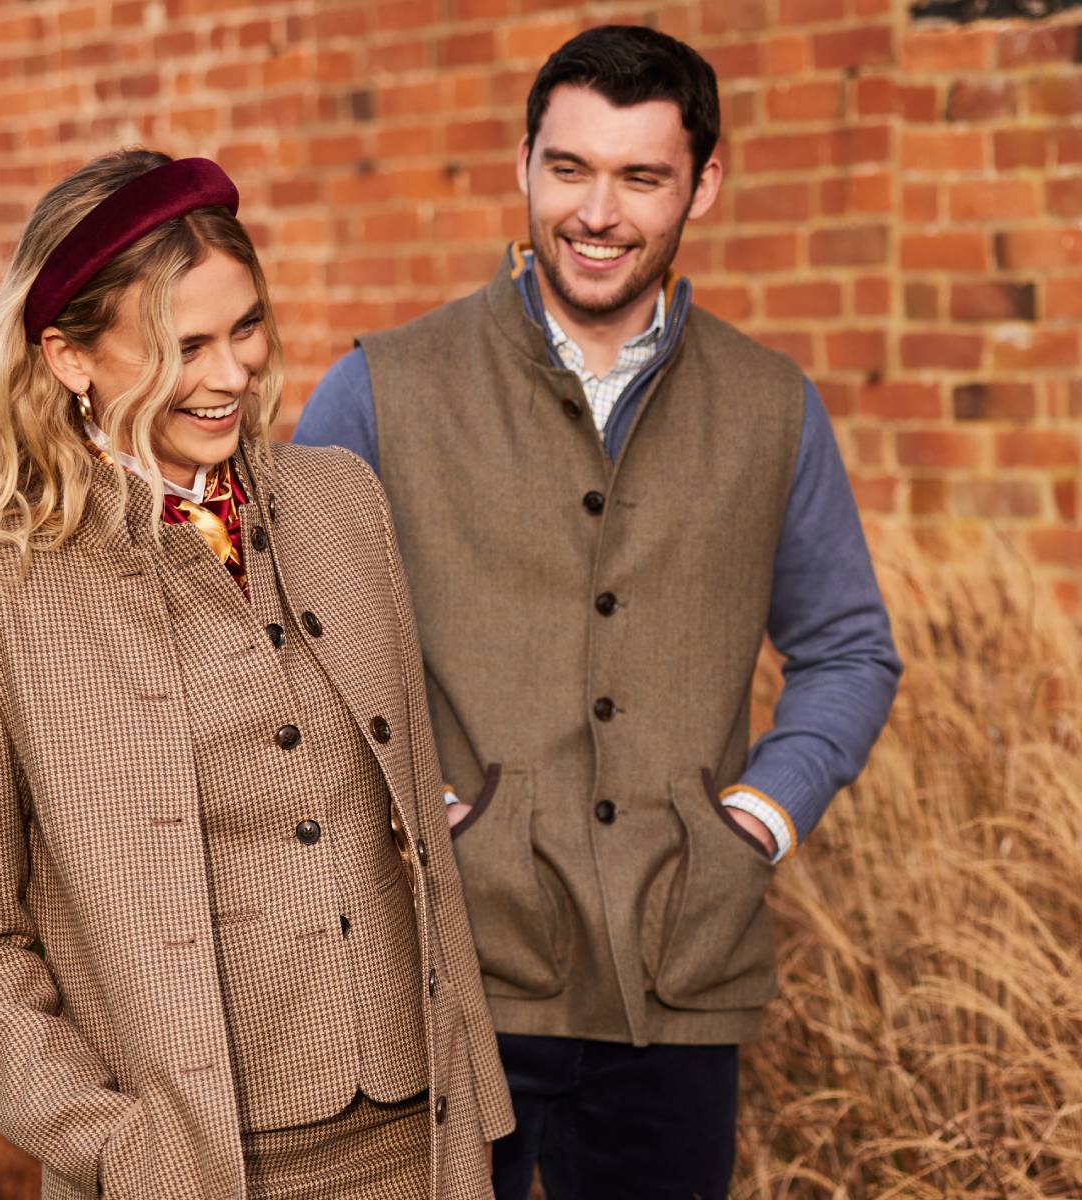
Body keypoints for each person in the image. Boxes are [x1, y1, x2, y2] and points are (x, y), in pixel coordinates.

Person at [292, 26, 902, 1200]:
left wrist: (757, 822)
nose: (597, 213)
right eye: (569, 168)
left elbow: (848, 650)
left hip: (679, 979)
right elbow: (290, 647)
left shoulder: (772, 406)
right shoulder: (382, 388)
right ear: (523, 163)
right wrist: (422, 817)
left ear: (703, 185)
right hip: (445, 975)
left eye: (641, 177)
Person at [0, 148, 511, 1200]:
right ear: (71, 359)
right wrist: (113, 1146)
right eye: (185, 347)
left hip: (423, 1140)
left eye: (246, 328)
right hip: (188, 1168)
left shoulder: (341, 503)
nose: (232, 375)